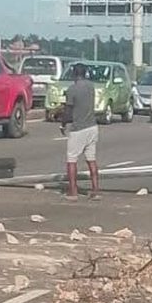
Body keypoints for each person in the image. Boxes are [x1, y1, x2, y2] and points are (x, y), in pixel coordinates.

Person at [60, 63, 100, 201]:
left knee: (72, 160)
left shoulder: (72, 89)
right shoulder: (91, 87)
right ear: (85, 73)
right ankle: (95, 190)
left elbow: (68, 111)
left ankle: (73, 191)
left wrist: (63, 124)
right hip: (92, 126)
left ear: (74, 74)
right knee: (91, 160)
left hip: (79, 128)